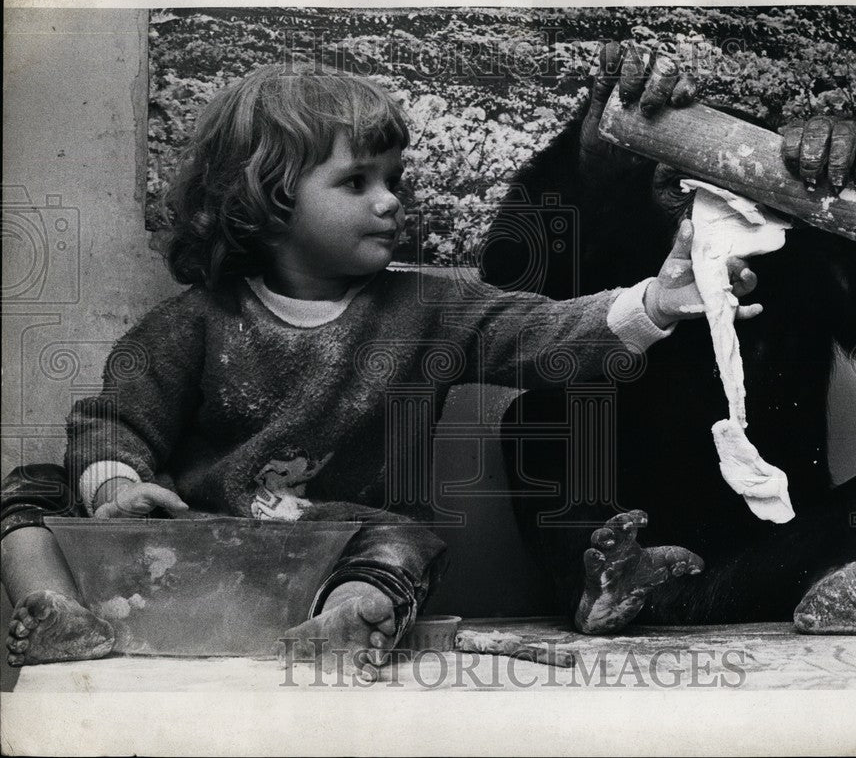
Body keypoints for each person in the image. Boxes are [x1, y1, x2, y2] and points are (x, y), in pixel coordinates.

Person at [2, 65, 761, 677]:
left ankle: (349, 618)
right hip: (189, 552)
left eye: (394, 177)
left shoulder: (429, 308)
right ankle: (58, 613)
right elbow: (112, 422)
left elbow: (542, 333)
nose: (391, 201)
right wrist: (118, 490)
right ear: (266, 201)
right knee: (31, 487)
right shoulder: (193, 323)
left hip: (334, 549)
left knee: (405, 540)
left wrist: (657, 303)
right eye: (358, 182)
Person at [481, 41, 856, 642]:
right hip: (622, 526)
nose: (705, 210)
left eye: (723, 189)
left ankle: (668, 602)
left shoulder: (792, 247)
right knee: (533, 423)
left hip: (766, 538)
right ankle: (648, 589)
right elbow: (508, 299)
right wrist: (583, 160)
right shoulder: (614, 227)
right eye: (681, 185)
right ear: (647, 184)